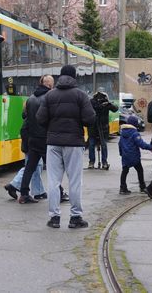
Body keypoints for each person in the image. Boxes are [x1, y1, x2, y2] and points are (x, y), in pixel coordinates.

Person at [36, 65, 95, 229]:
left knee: (53, 181)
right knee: (75, 181)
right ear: (74, 77)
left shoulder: (50, 95)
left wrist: (52, 128)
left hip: (53, 143)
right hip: (74, 143)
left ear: (60, 76)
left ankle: (54, 217)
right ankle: (75, 217)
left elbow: (40, 118)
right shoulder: (81, 95)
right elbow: (90, 119)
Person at [17, 75, 54, 204]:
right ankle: (59, 192)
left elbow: (24, 115)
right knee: (53, 168)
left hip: (32, 138)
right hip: (45, 138)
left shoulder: (31, 98)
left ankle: (24, 194)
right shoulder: (50, 98)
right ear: (49, 85)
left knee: (29, 167)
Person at [119, 115, 152, 194]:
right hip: (134, 156)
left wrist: (121, 153)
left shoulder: (122, 133)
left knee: (124, 171)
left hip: (125, 155)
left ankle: (122, 187)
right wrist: (151, 147)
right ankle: (142, 187)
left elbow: (120, 144)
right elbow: (141, 144)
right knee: (140, 170)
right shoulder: (134, 133)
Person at [88, 90, 118, 170]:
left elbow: (115, 109)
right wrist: (101, 105)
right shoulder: (91, 103)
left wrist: (108, 103)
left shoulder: (106, 103)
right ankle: (93, 162)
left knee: (102, 144)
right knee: (92, 144)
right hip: (94, 127)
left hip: (102, 128)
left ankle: (103, 162)